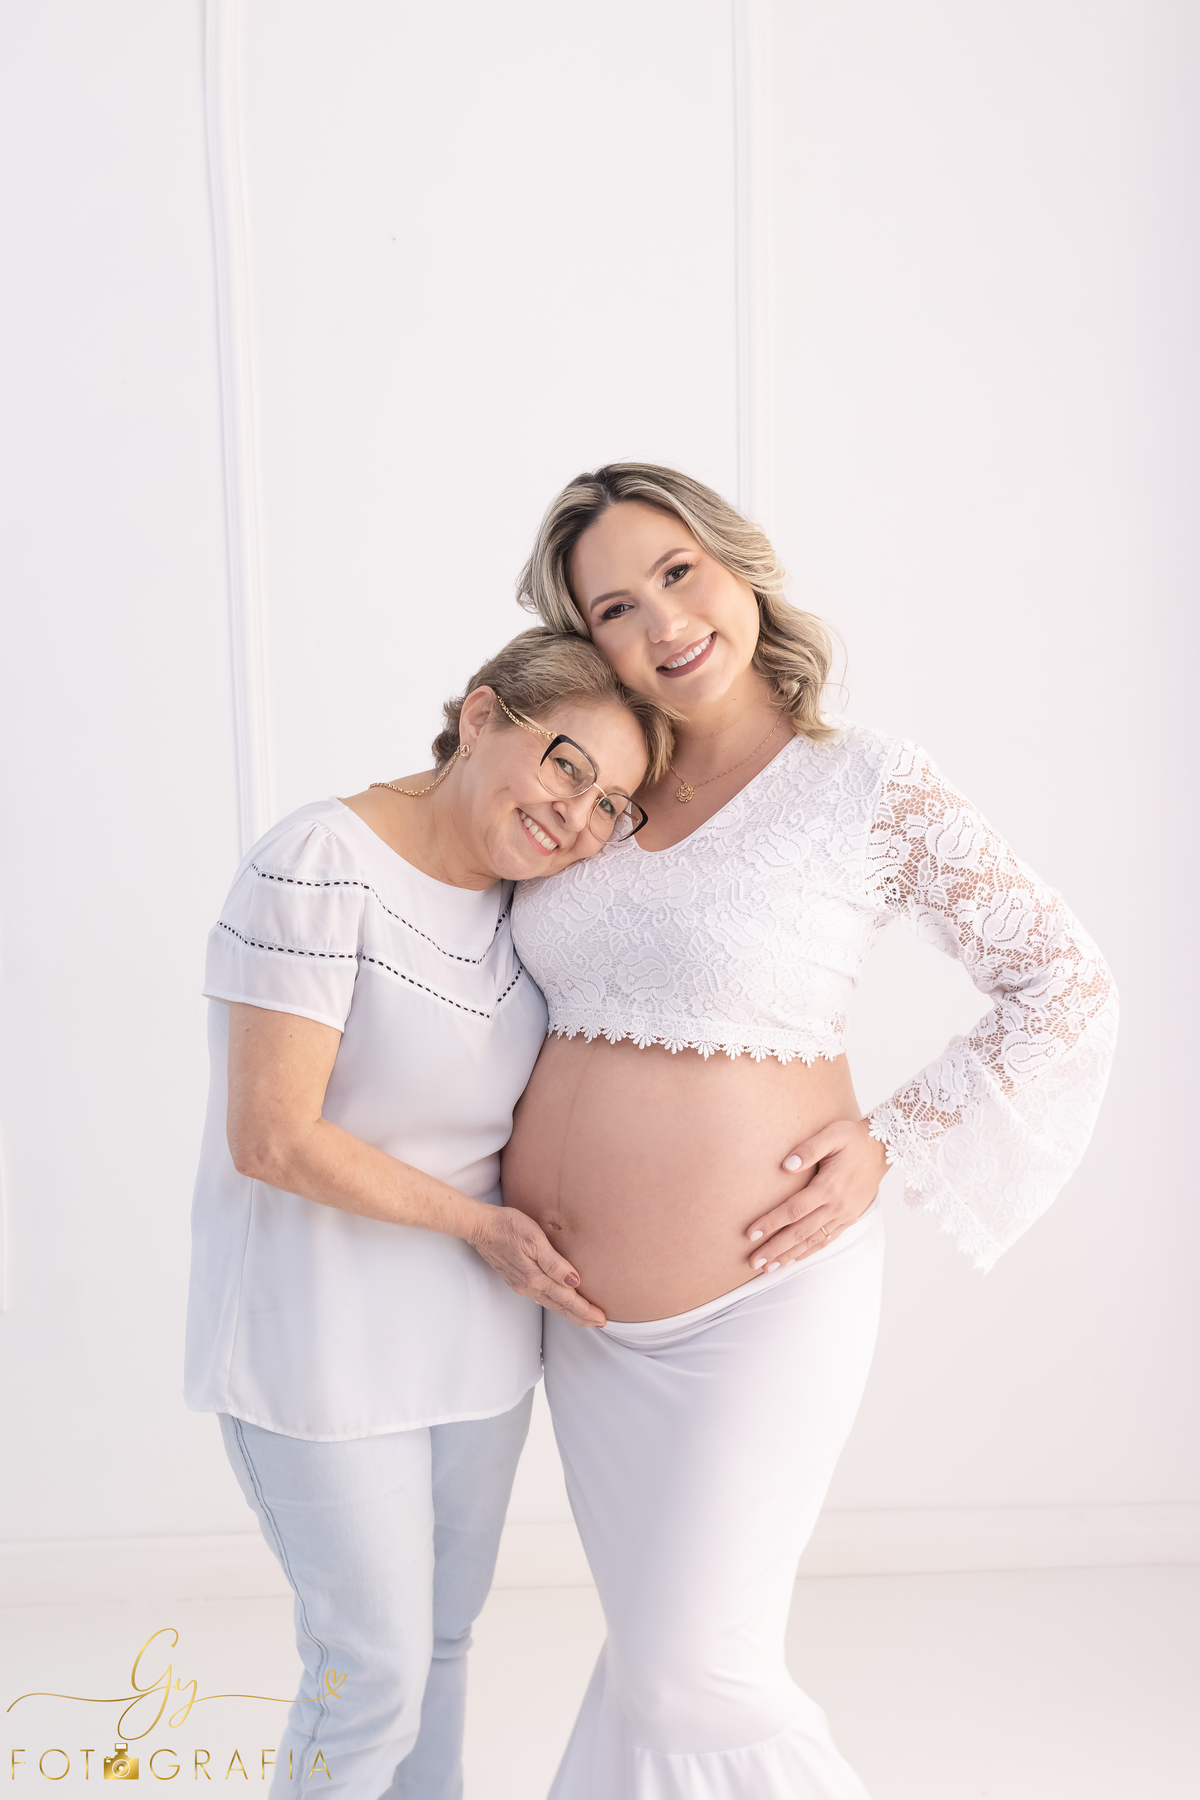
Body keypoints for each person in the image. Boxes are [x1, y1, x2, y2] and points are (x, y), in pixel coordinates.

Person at [504, 463, 1119, 1798]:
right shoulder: (596, 788)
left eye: (679, 573)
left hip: (761, 1302)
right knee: (654, 1663)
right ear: (586, 639)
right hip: (588, 1329)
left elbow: (1064, 980)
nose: (664, 623)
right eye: (615, 607)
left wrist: (897, 1135)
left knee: (695, 1678)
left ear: (739, 565)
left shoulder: (870, 784)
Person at [182, 626, 671, 1798]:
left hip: (474, 1348)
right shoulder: (318, 862)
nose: (578, 817)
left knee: (444, 1645)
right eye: (567, 764)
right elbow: (274, 1136)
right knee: (372, 1672)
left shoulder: (528, 909)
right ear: (482, 713)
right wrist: (482, 1229)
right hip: (321, 1346)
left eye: (612, 804)